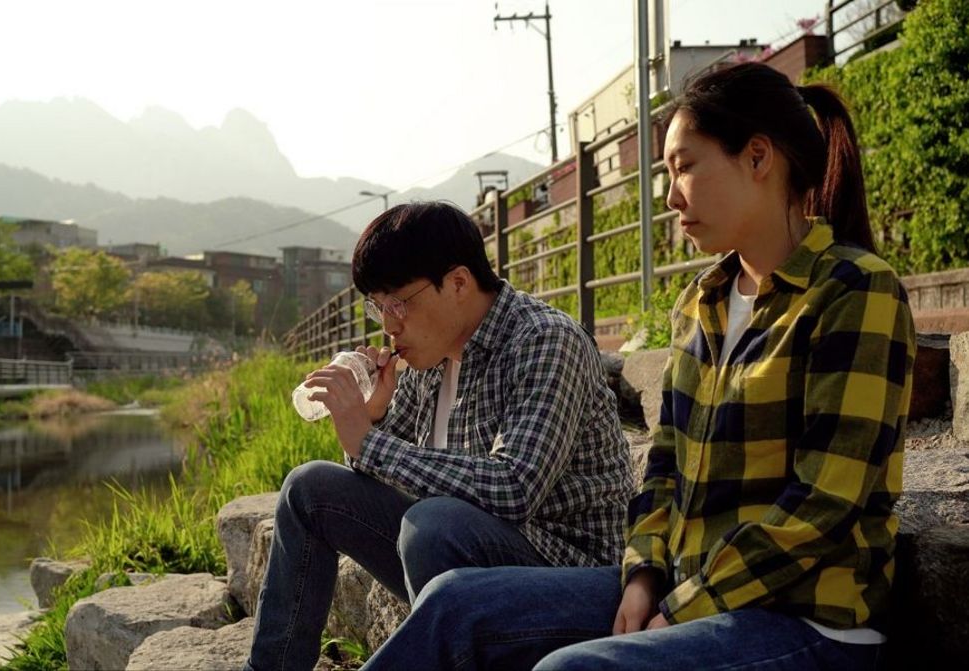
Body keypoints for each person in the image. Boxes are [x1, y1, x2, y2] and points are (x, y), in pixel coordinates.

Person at [361, 62, 916, 671]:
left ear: (758, 157)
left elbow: (823, 505)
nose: (671, 195)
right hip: (682, 591)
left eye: (684, 167)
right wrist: (643, 576)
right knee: (453, 603)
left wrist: (685, 604)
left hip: (807, 621)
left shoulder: (854, 291)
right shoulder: (699, 303)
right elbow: (662, 469)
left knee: (571, 670)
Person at [242, 201, 635, 671]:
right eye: (378, 306)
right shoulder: (429, 359)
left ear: (458, 283)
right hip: (469, 567)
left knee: (435, 524)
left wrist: (369, 441)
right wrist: (375, 418)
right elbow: (386, 473)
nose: (387, 324)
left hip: (571, 582)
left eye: (399, 304)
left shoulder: (545, 340)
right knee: (310, 489)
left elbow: (514, 488)